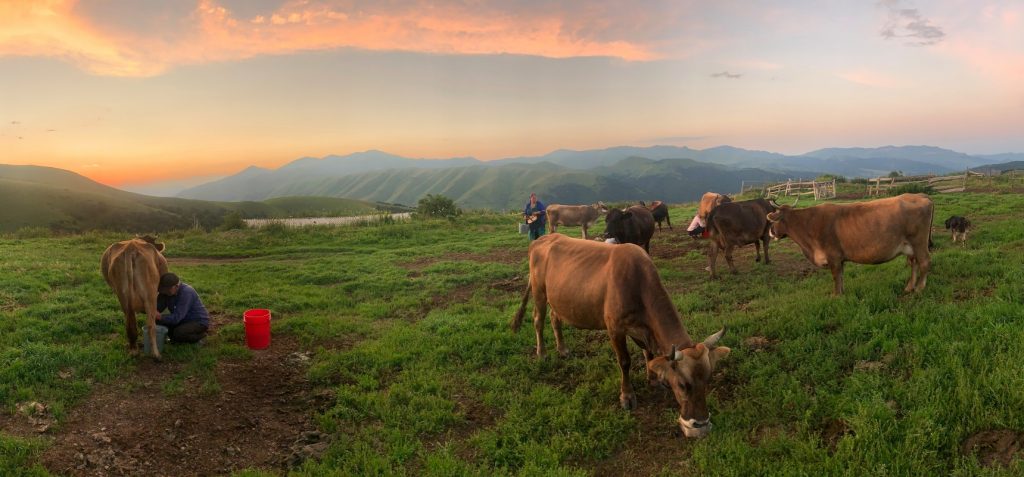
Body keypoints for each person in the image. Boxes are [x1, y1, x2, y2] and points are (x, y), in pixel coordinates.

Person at [156, 273, 210, 344]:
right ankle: (176, 338)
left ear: (176, 286)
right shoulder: (167, 292)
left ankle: (200, 336)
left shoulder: (187, 292)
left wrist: (160, 316)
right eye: (163, 289)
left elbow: (177, 317)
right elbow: (157, 307)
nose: (165, 292)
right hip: (182, 320)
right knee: (158, 322)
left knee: (179, 333)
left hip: (198, 321)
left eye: (167, 290)